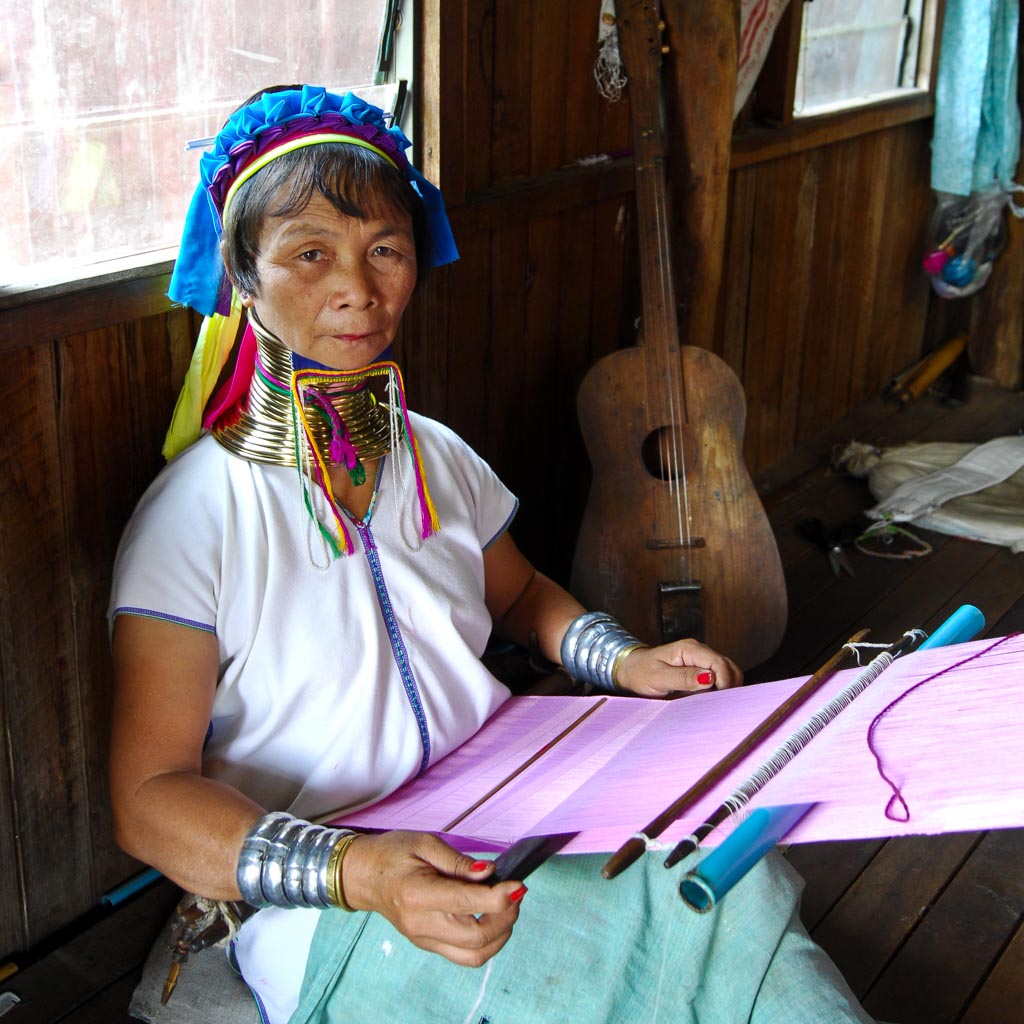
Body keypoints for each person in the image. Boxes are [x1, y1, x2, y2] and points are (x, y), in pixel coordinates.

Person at [109, 85, 872, 1023]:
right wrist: (358, 871)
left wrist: (625, 660)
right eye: (310, 254)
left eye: (385, 249)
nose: (359, 286)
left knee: (724, 882)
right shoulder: (196, 515)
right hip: (336, 887)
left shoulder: (434, 457)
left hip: (510, 801)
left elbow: (518, 598)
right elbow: (148, 798)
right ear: (243, 275)